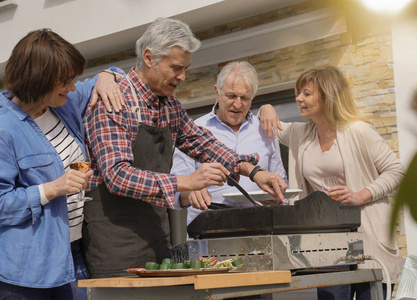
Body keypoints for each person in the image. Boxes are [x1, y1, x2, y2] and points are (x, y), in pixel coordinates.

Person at [82, 17, 287, 279]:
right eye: (176, 68)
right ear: (148, 58)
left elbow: (203, 143)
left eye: (185, 68)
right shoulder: (112, 101)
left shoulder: (170, 106)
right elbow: (118, 176)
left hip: (156, 235)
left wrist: (255, 171)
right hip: (113, 240)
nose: (182, 77)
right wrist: (188, 181)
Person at [259, 65, 404, 300]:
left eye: (306, 93)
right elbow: (269, 124)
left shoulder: (359, 131)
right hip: (326, 243)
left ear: (328, 97)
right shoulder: (301, 134)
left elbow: (396, 171)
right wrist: (265, 107)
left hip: (368, 238)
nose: (299, 98)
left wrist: (362, 194)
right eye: (299, 93)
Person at [0, 29, 125, 299]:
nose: (71, 87)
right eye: (65, 81)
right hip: (28, 270)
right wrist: (51, 189)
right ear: (39, 80)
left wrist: (107, 75)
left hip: (73, 252)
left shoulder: (63, 104)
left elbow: (117, 73)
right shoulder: (4, 128)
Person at [171, 61, 287, 227]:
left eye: (244, 98)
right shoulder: (194, 131)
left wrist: (277, 195)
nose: (238, 104)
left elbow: (281, 181)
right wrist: (190, 192)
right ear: (217, 93)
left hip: (259, 232)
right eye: (231, 96)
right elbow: (176, 188)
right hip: (208, 233)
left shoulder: (265, 129)